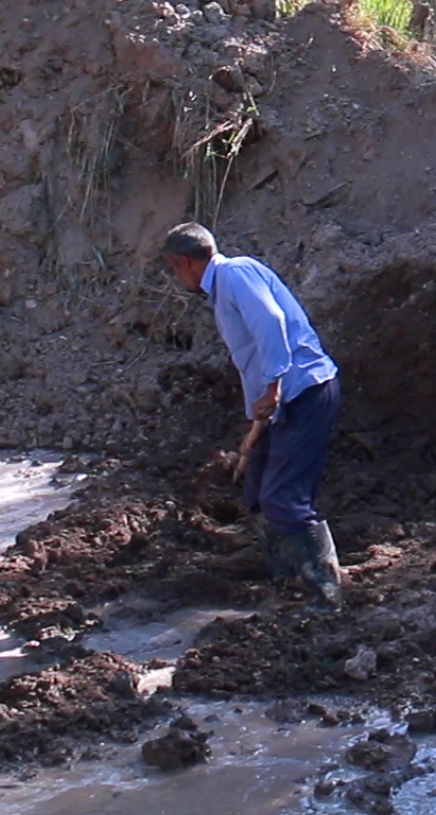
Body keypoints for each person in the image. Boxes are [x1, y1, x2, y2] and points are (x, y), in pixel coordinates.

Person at [164, 222, 345, 609]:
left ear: (183, 262)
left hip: (305, 392)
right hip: (285, 400)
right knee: (257, 488)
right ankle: (284, 584)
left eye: (173, 269)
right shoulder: (225, 288)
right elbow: (252, 360)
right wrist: (254, 430)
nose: (175, 278)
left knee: (282, 499)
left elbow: (271, 323)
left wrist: (274, 387)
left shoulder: (234, 273)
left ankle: (325, 597)